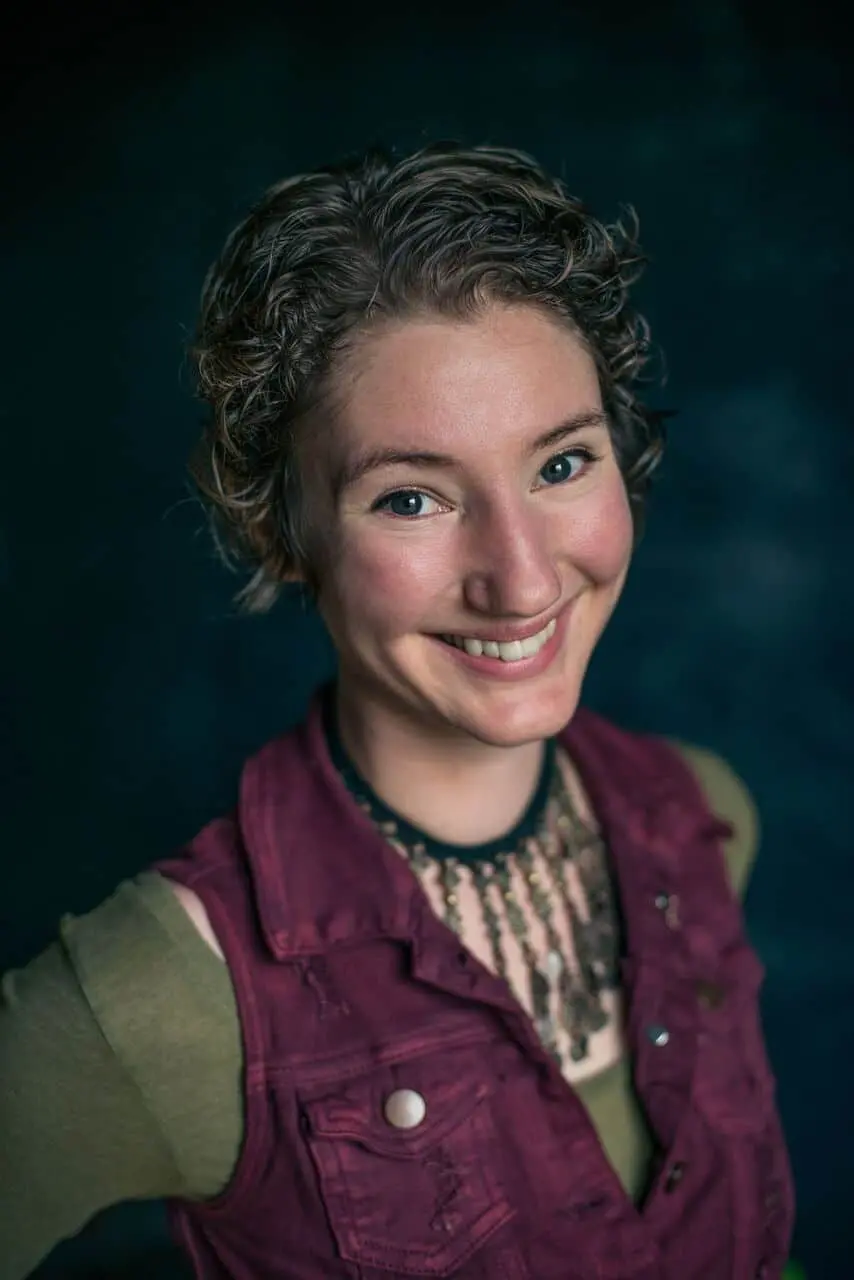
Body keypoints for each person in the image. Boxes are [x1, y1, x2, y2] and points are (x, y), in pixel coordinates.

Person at [1, 143, 795, 1279]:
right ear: (284, 533)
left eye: (560, 463)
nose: (519, 579)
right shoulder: (160, 995)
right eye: (410, 497)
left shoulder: (704, 815)